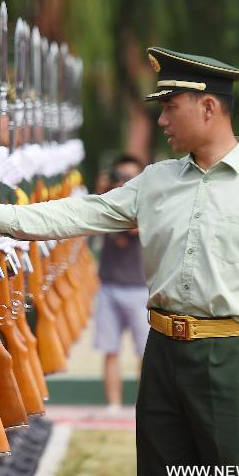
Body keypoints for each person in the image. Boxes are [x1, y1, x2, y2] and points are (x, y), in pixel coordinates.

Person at [0, 46, 239, 476]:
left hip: (231, 357)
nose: (162, 120)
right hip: (163, 353)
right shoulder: (156, 180)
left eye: (170, 107)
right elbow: (83, 214)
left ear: (208, 107)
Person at [93, 155, 150, 413]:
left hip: (140, 289)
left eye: (132, 178)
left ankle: (146, 406)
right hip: (109, 287)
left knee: (146, 354)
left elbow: (131, 232)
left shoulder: (148, 205)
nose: (126, 182)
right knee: (110, 350)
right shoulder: (105, 204)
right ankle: (113, 404)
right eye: (121, 177)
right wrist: (103, 194)